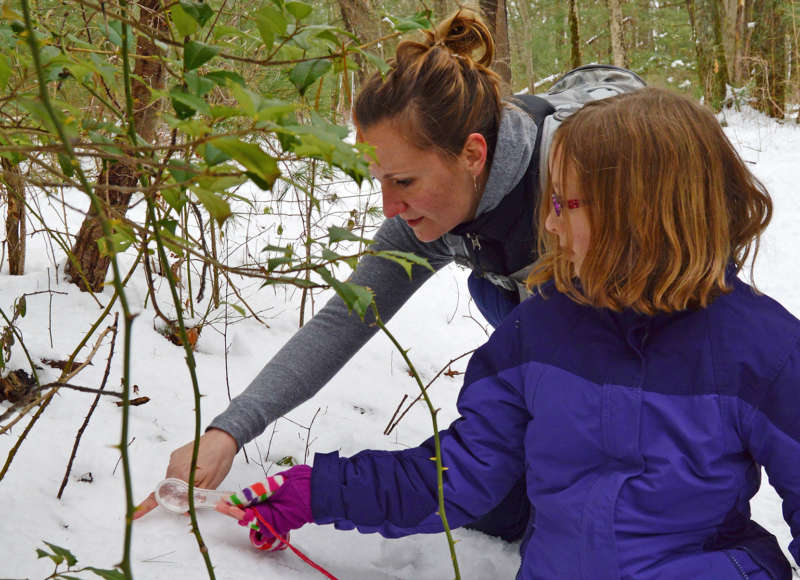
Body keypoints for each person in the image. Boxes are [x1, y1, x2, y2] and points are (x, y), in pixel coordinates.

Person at [213, 88, 800, 579]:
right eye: (548, 203)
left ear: (640, 215)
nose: (548, 223)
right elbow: (459, 476)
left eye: (567, 204)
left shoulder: (764, 351)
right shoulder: (539, 331)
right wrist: (317, 491)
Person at [135, 9, 562, 540]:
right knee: (498, 507)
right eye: (378, 180)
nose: (388, 207)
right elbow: (345, 321)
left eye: (403, 180)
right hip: (529, 304)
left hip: (617, 322)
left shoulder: (574, 199)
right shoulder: (428, 211)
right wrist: (229, 429)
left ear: (473, 154)